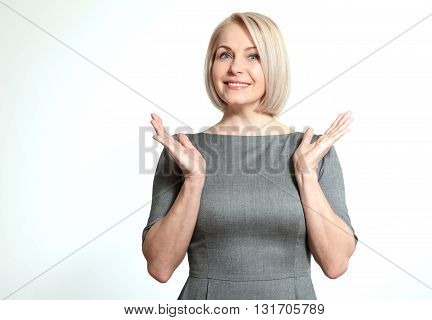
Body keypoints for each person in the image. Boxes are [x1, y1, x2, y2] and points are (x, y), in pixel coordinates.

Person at [141, 12, 358, 300]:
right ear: (211, 65)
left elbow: (335, 264)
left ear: (274, 66)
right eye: (225, 55)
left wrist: (306, 175)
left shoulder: (312, 150)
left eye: (253, 57)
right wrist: (194, 181)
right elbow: (160, 266)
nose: (236, 68)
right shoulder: (183, 151)